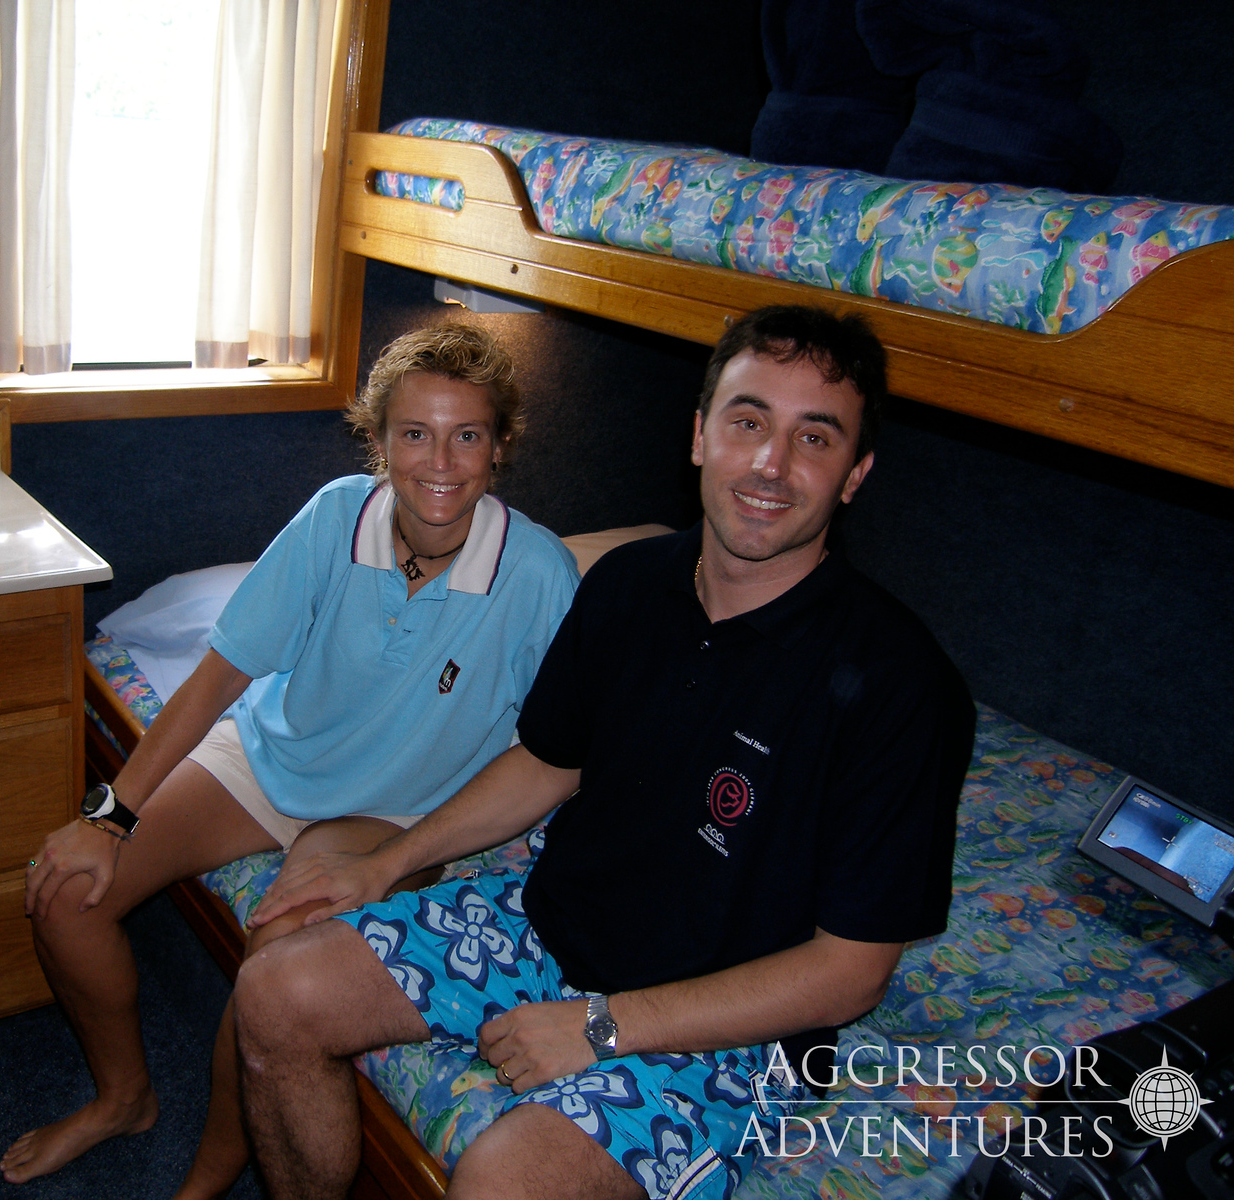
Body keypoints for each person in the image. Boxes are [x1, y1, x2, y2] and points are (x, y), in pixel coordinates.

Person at [235, 305, 977, 1200]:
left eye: (813, 438)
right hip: (548, 926)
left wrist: (605, 1027)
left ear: (854, 474)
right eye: (748, 422)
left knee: (503, 1179)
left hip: (727, 1028)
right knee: (275, 994)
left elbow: (851, 972)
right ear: (701, 435)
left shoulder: (900, 683)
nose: (771, 465)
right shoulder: (630, 584)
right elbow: (551, 761)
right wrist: (387, 863)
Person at [0, 323, 581, 1192]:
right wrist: (109, 815)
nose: (440, 462)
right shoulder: (333, 517)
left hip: (391, 810)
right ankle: (122, 1098)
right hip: (272, 759)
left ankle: (209, 1166)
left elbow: (565, 747)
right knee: (64, 891)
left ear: (500, 447)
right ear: (379, 442)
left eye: (467, 435)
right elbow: (219, 672)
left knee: (273, 957)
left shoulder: (539, 576)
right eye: (414, 434)